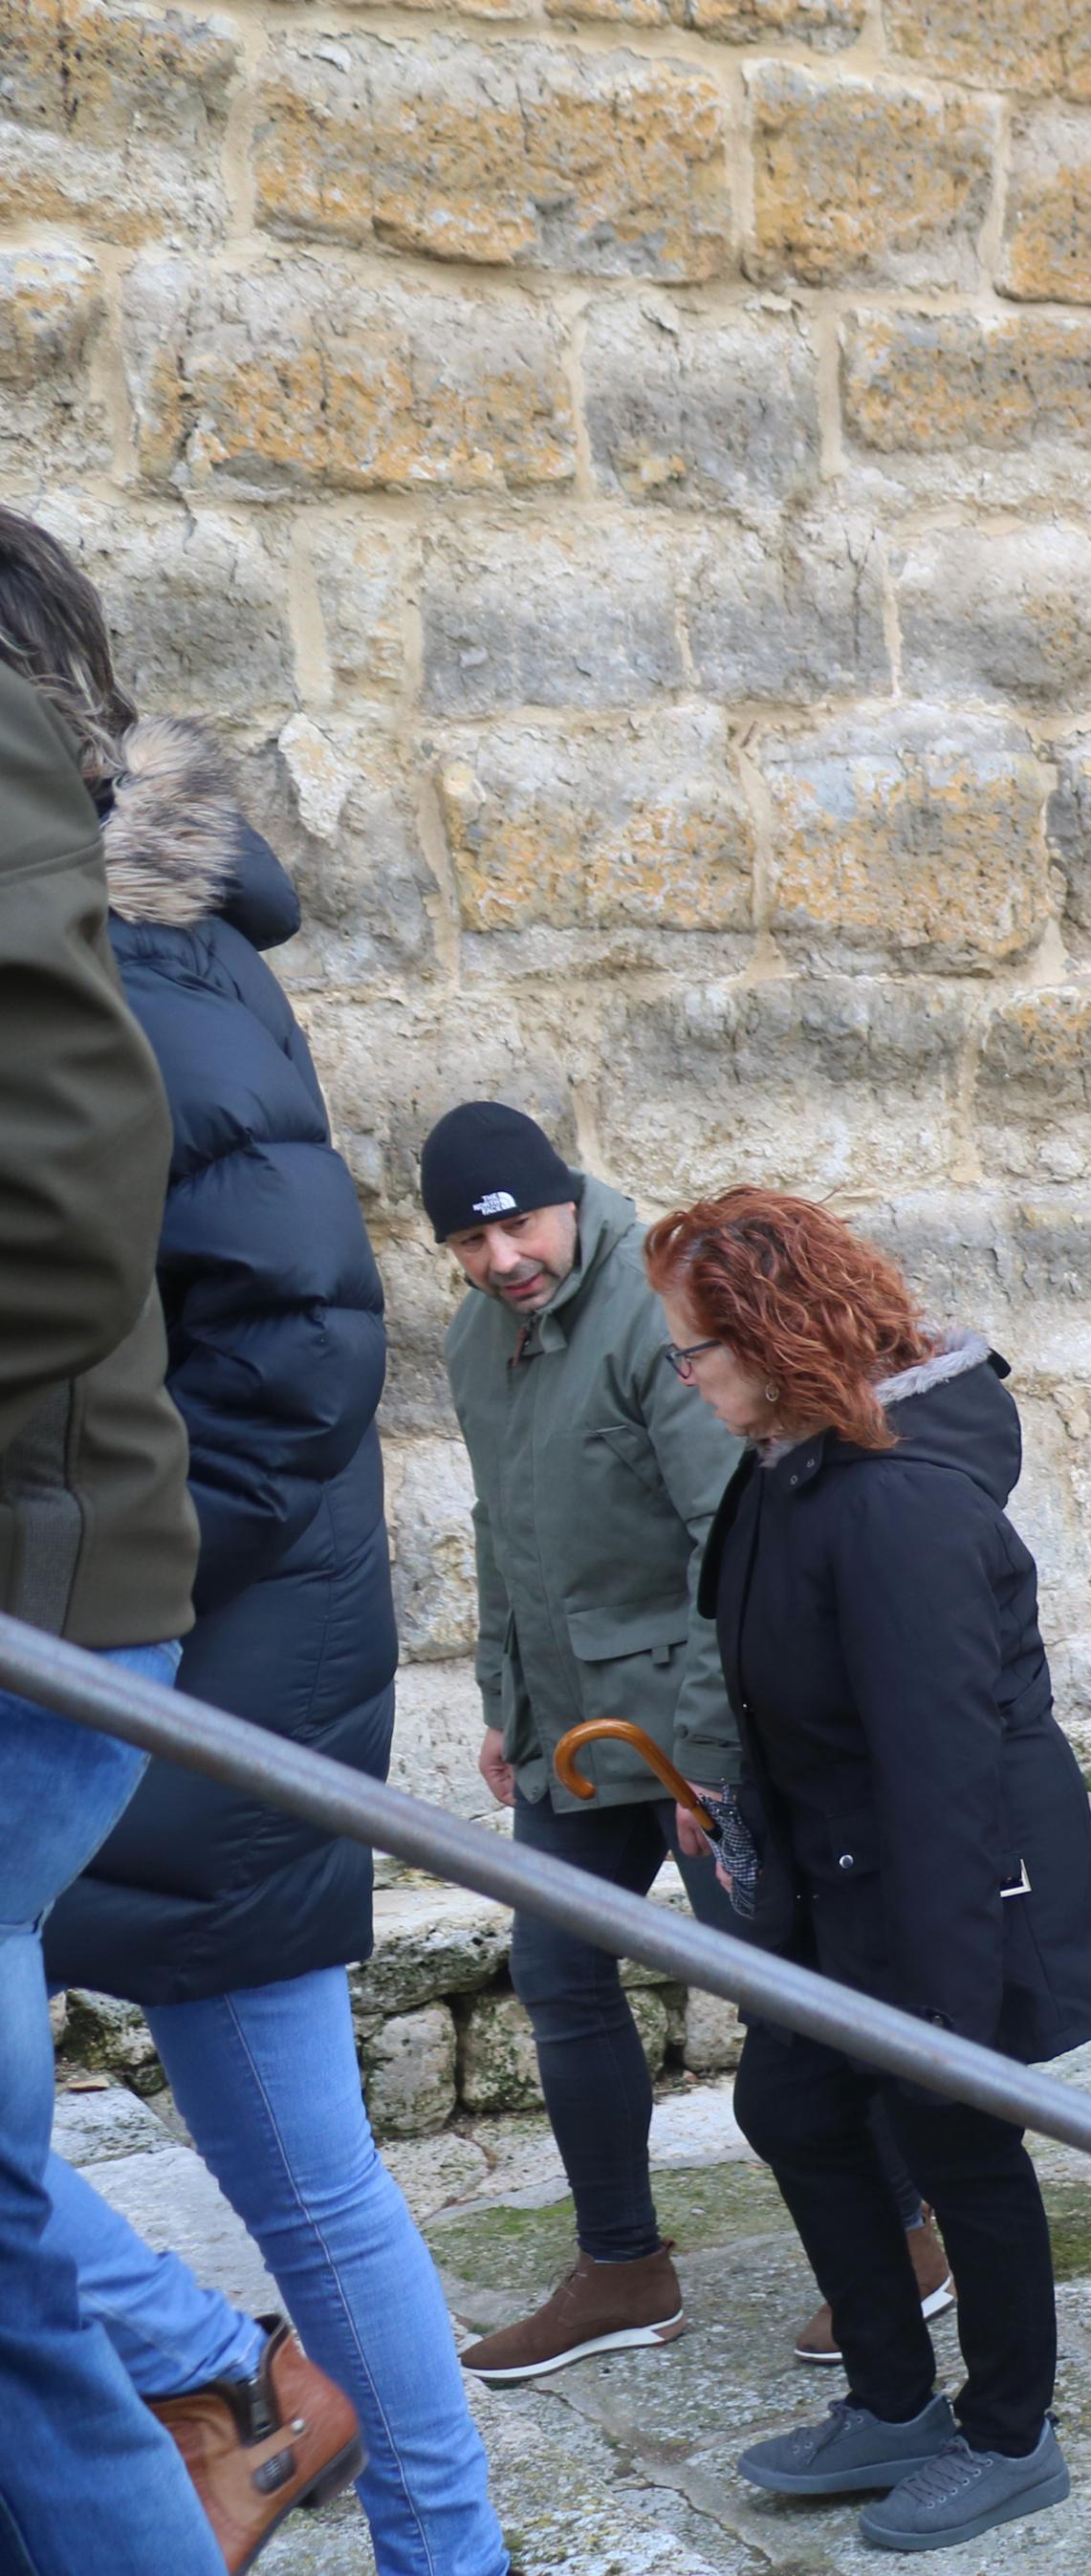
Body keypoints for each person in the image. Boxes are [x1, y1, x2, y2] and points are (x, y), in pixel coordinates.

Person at [4, 517, 496, 2576]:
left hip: (209, 1661)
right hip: (156, 1631)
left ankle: (424, 2529)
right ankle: (231, 2384)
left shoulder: (159, 967)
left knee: (306, 2176)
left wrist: (134, 1618)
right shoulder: (129, 931)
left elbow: (292, 1360)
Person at [427, 1104, 940, 2380]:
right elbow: (501, 1527)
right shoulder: (471, 1338)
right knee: (556, 1968)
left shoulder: (656, 1311)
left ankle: (908, 2236)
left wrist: (715, 1757)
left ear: (564, 1201)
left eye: (520, 1228)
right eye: (468, 1243)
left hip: (697, 1726)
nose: (501, 1262)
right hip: (578, 1720)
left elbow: (734, 1541)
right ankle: (622, 2267)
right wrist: (504, 1693)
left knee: (774, 1982)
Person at [648, 1189, 1091, 2551]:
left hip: (932, 1888)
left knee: (956, 2137)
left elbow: (941, 1771)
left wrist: (951, 2005)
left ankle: (1011, 2430)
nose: (682, 1377)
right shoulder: (783, 1467)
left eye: (695, 1349)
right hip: (831, 1878)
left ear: (769, 1333)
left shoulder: (896, 1506)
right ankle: (893, 2397)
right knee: (795, 2106)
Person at [0, 626, 230, 2576]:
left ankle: (254, 2388)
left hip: (48, 1585)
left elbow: (71, 1224)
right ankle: (234, 2377)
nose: (496, 1247)